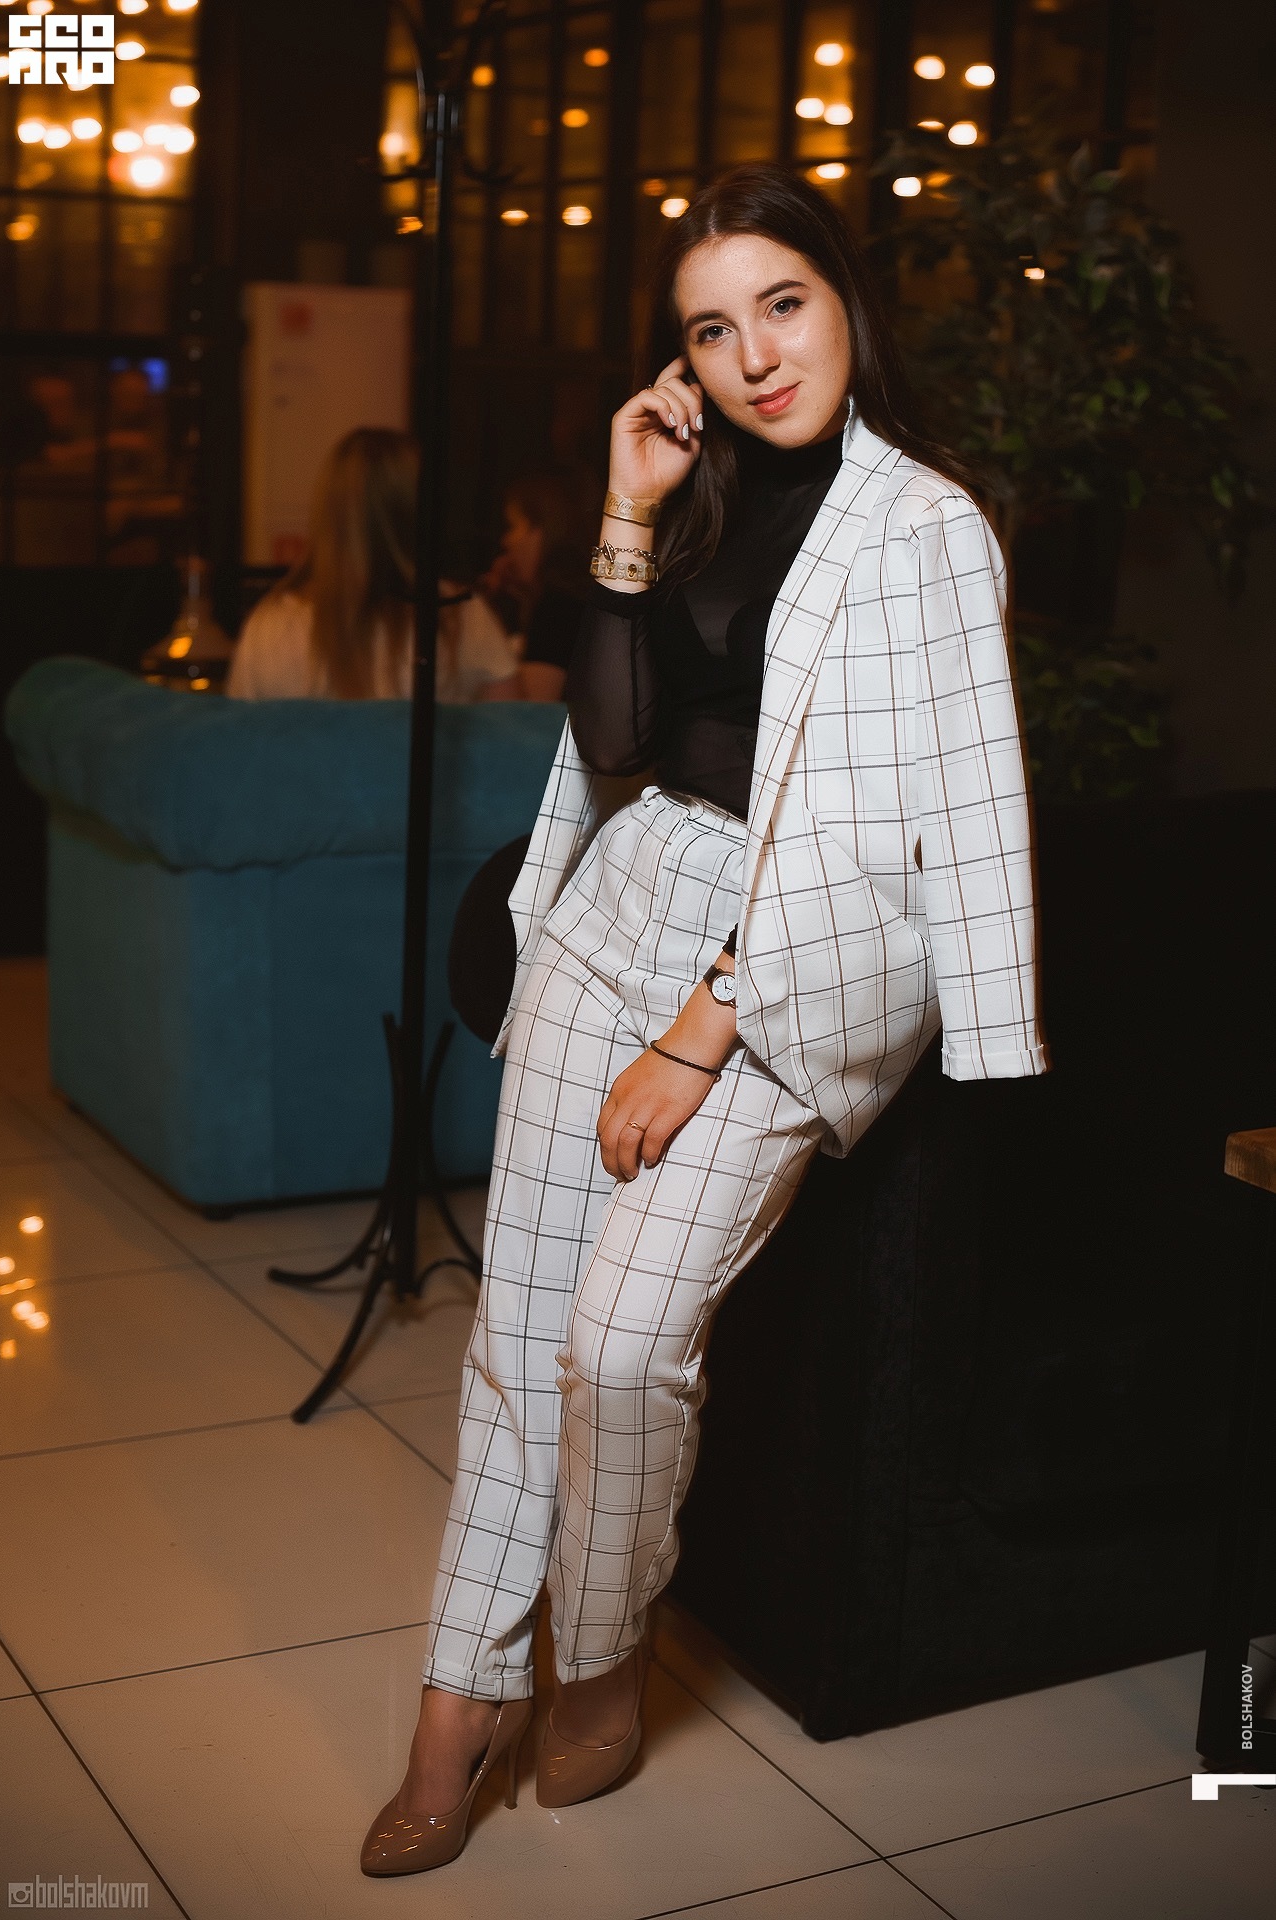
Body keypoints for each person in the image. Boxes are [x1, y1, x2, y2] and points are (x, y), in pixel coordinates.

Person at [361, 163, 1048, 1877]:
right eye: (712, 329)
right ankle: (457, 1701)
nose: (755, 356)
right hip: (620, 901)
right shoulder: (698, 491)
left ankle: (598, 1654)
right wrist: (624, 504)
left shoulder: (924, 526)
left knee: (618, 1341)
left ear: (843, 299)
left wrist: (707, 1022)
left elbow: (927, 825)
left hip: (798, 951)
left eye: (783, 305)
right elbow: (611, 744)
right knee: (521, 1336)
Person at [227, 427, 517, 703]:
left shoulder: (269, 626)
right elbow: (512, 729)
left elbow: (239, 732)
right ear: (417, 511)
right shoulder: (459, 616)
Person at [479, 464, 599, 702]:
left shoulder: (558, 607)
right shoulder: (568, 598)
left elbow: (533, 708)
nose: (506, 541)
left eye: (512, 527)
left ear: (541, 532)